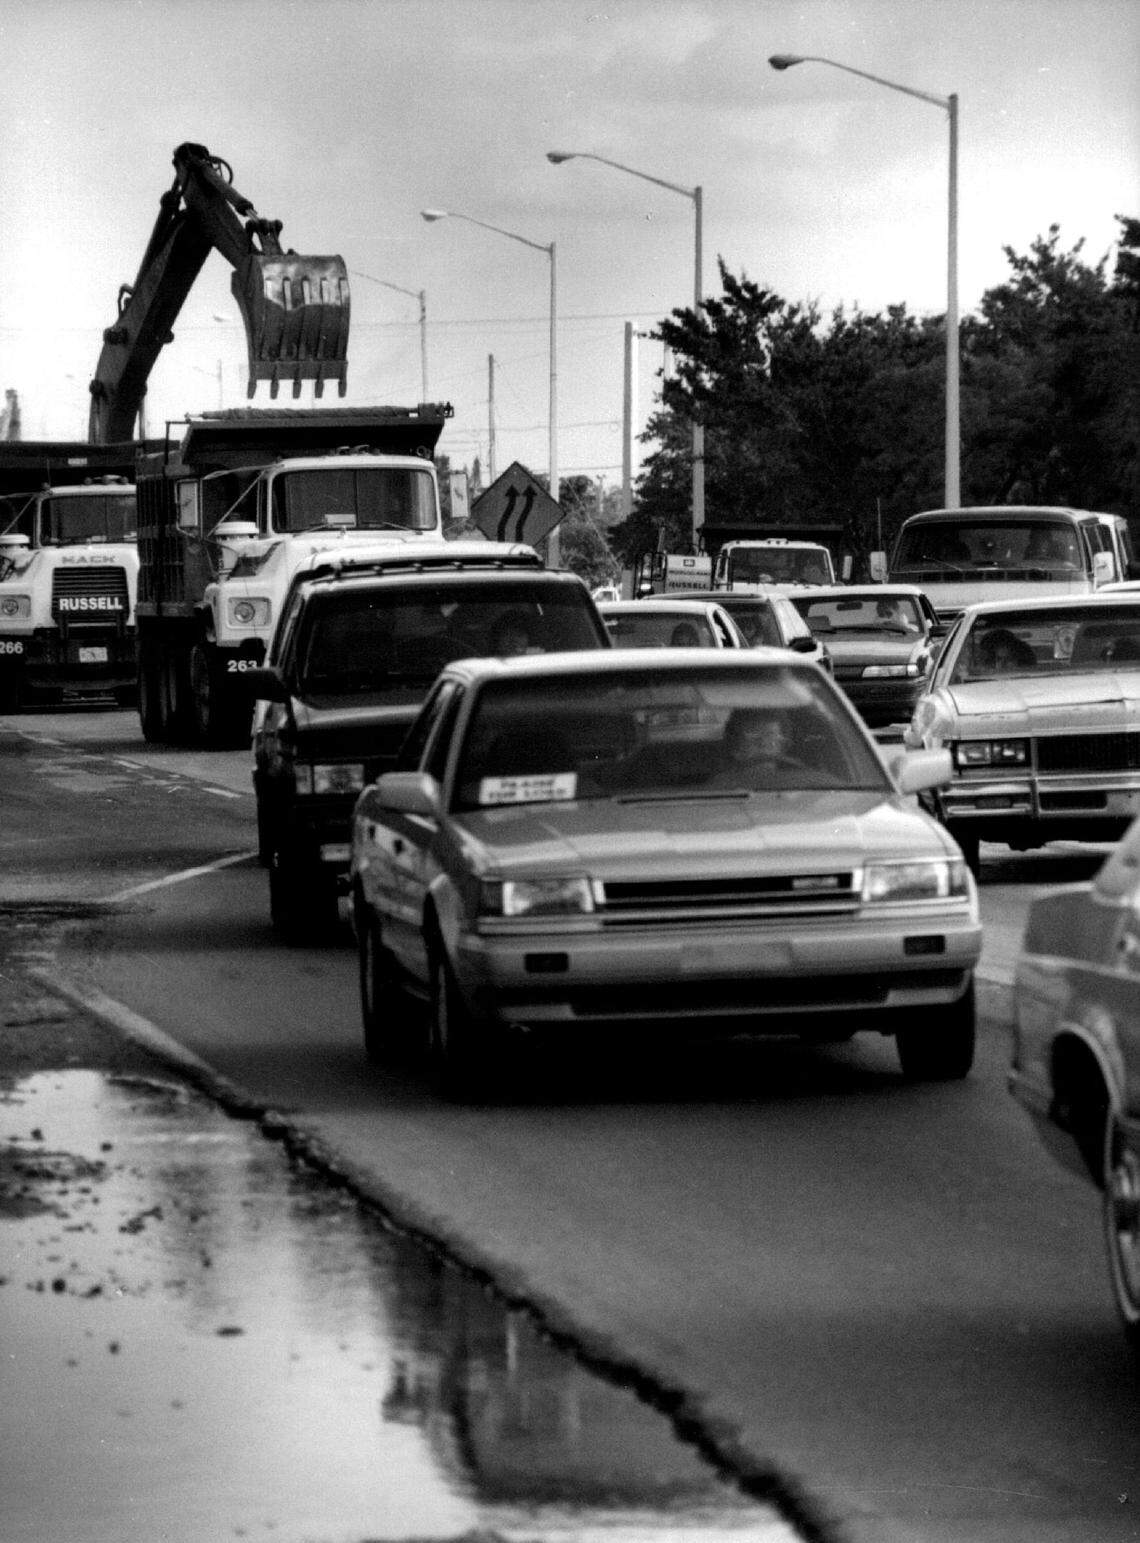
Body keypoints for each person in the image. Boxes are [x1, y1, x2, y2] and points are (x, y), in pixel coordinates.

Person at [709, 708, 807, 790]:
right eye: (754, 735)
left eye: (770, 735)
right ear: (735, 744)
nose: (763, 743)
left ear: (782, 743)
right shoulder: (722, 786)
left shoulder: (801, 780)